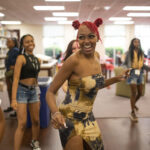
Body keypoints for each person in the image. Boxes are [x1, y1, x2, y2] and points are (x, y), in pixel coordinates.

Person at [46, 18, 129, 150]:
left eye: (91, 36)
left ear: (97, 37)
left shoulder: (96, 56)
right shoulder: (73, 61)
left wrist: (117, 78)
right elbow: (50, 91)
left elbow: (94, 85)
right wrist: (55, 113)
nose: (86, 41)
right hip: (69, 118)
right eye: (81, 37)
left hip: (88, 116)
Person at [11, 34, 41, 150]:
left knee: (36, 121)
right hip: (21, 91)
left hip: (33, 92)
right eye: (27, 42)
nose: (30, 43)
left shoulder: (37, 60)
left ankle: (35, 142)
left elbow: (36, 79)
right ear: (23, 44)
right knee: (22, 124)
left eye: (32, 41)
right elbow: (16, 79)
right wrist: (13, 99)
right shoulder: (21, 58)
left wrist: (38, 94)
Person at [124, 38, 144, 122]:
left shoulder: (141, 52)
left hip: (140, 73)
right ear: (132, 43)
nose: (137, 43)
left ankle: (133, 104)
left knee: (140, 93)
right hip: (132, 73)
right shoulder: (128, 52)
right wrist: (126, 71)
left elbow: (142, 63)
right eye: (135, 42)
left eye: (138, 42)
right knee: (134, 93)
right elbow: (125, 64)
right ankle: (132, 112)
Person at [4, 38, 19, 117]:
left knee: (14, 92)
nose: (7, 43)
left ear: (14, 43)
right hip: (9, 73)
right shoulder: (10, 51)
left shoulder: (16, 50)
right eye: (7, 41)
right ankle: (12, 106)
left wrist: (14, 66)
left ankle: (16, 110)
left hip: (13, 74)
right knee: (9, 90)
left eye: (9, 42)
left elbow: (18, 62)